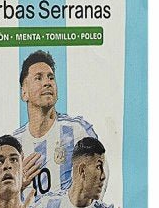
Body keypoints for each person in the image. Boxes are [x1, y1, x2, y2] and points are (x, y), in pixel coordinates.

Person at [13, 50, 99, 198]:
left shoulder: (77, 131)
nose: (47, 82)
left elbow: (98, 178)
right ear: (24, 92)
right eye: (38, 78)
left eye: (51, 77)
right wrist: (14, 187)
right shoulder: (14, 145)